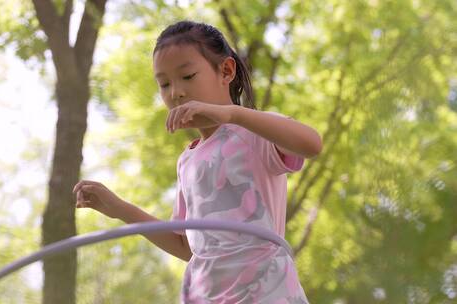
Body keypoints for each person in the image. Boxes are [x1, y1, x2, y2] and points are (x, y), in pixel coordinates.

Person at [73, 20, 322, 304]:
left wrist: (231, 114)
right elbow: (189, 247)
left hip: (265, 292)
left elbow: (311, 144)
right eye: (164, 84)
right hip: (206, 296)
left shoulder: (254, 133)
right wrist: (120, 209)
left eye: (188, 76)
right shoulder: (188, 161)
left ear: (226, 71)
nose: (175, 92)